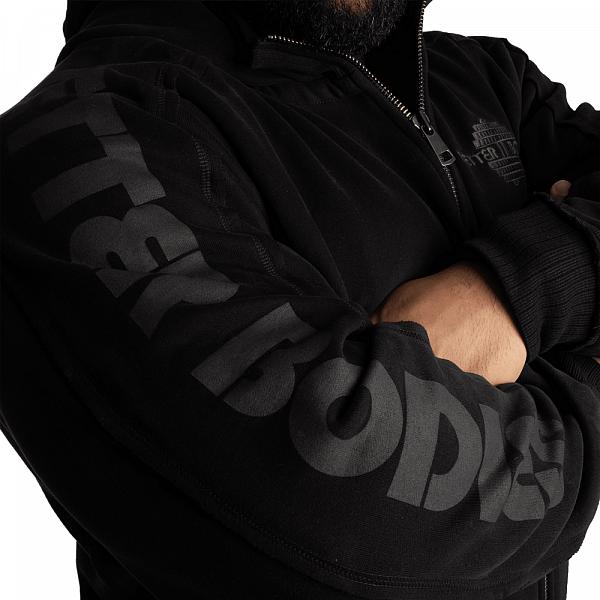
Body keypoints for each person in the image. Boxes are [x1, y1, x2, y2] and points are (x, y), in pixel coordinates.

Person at [1, 1, 599, 598]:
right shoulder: (72, 137)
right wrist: (580, 362)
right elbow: (345, 521)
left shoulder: (485, 78)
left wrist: (518, 289)